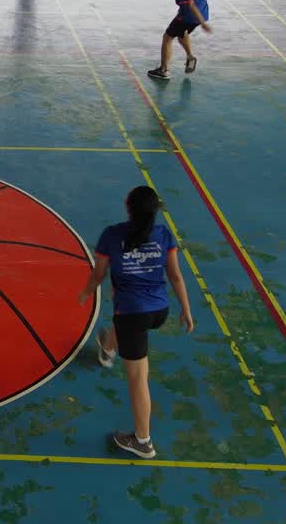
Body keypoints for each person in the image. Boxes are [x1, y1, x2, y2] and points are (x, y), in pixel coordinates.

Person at [78, 186, 194, 460]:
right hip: (159, 310)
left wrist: (85, 292)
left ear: (127, 206)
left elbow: (98, 275)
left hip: (132, 313)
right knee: (125, 323)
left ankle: (142, 441)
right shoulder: (164, 235)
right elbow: (176, 276)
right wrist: (186, 311)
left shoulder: (112, 234)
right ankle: (107, 349)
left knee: (138, 376)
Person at [147, 0, 212, 80]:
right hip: (202, 11)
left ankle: (164, 70)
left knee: (168, 37)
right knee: (182, 33)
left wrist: (203, 24)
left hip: (191, 15)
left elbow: (191, 5)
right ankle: (190, 56)